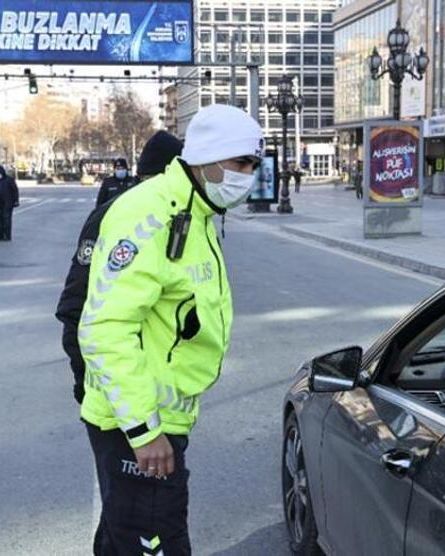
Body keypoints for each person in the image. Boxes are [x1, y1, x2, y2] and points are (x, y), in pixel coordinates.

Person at [78, 104, 264, 555]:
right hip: (137, 425)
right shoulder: (151, 214)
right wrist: (144, 430)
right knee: (156, 543)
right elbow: (104, 327)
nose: (249, 175)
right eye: (242, 163)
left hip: (160, 419)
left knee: (125, 538)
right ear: (209, 159)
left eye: (255, 165)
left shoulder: (195, 211)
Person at [56, 130, 183, 405]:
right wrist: (84, 377)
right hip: (116, 391)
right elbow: (77, 303)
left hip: (157, 386)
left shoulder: (177, 217)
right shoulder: (115, 214)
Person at [0, 165, 19, 241]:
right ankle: (0, 235)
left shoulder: (9, 180)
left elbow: (15, 190)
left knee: (7, 219)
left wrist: (16, 200)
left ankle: (7, 235)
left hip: (8, 203)